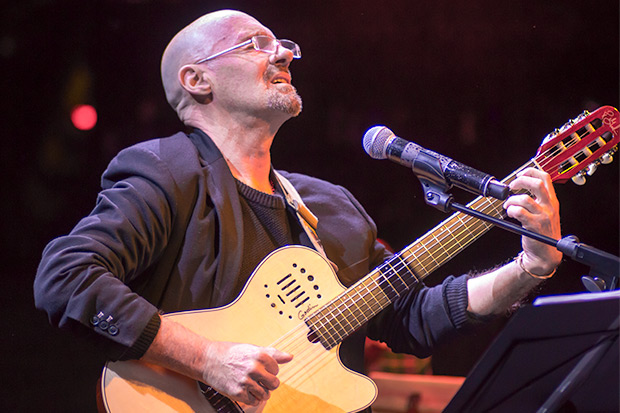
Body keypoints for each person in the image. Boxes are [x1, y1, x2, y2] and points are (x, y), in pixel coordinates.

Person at [34, 9, 562, 411]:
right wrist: (208, 360)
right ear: (198, 81)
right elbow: (65, 276)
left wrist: (528, 268)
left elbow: (411, 319)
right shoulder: (166, 170)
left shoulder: (330, 208)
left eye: (282, 45)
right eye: (254, 45)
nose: (283, 55)